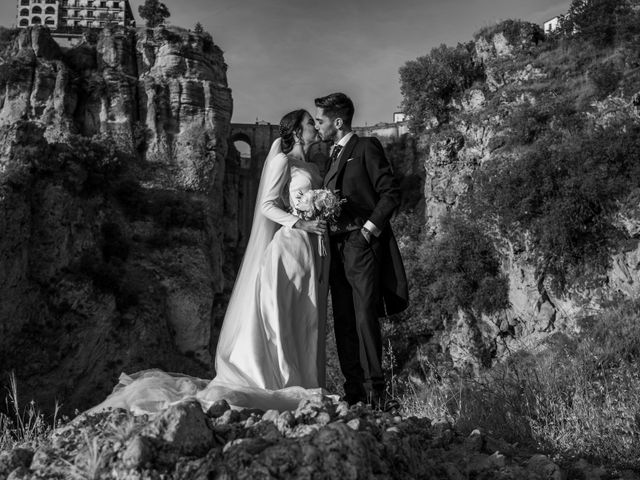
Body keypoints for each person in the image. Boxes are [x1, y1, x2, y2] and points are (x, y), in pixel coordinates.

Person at [86, 109, 332, 415]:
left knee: (304, 315)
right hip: (290, 246)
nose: (315, 128)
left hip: (311, 249)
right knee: (282, 314)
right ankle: (281, 382)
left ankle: (304, 381)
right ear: (297, 130)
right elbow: (268, 205)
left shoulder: (309, 164)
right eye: (311, 123)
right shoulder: (282, 161)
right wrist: (301, 223)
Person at [315, 92, 409, 409]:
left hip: (360, 243)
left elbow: (390, 193)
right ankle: (353, 389)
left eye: (322, 120)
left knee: (364, 315)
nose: (319, 125)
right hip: (335, 249)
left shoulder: (366, 148)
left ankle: (376, 390)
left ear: (338, 122)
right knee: (342, 318)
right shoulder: (330, 157)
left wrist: (369, 230)